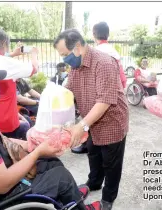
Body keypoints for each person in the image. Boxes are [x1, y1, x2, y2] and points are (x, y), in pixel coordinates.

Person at [0, 58, 101, 210]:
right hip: (3, 198)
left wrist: (29, 144)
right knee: (60, 176)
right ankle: (74, 200)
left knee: (50, 161)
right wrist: (38, 151)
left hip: (4, 174)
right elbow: (2, 185)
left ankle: (70, 195)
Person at [54, 29, 129, 210]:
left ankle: (108, 198)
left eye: (65, 54)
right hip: (90, 121)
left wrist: (81, 125)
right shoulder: (76, 66)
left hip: (112, 121)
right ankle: (94, 182)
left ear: (78, 47)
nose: (64, 59)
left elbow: (104, 102)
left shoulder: (104, 63)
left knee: (111, 163)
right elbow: (69, 91)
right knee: (94, 155)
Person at [0, 28, 37, 140]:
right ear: (4, 43)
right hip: (7, 123)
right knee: (26, 128)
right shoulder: (8, 63)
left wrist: (12, 54)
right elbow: (34, 69)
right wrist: (34, 53)